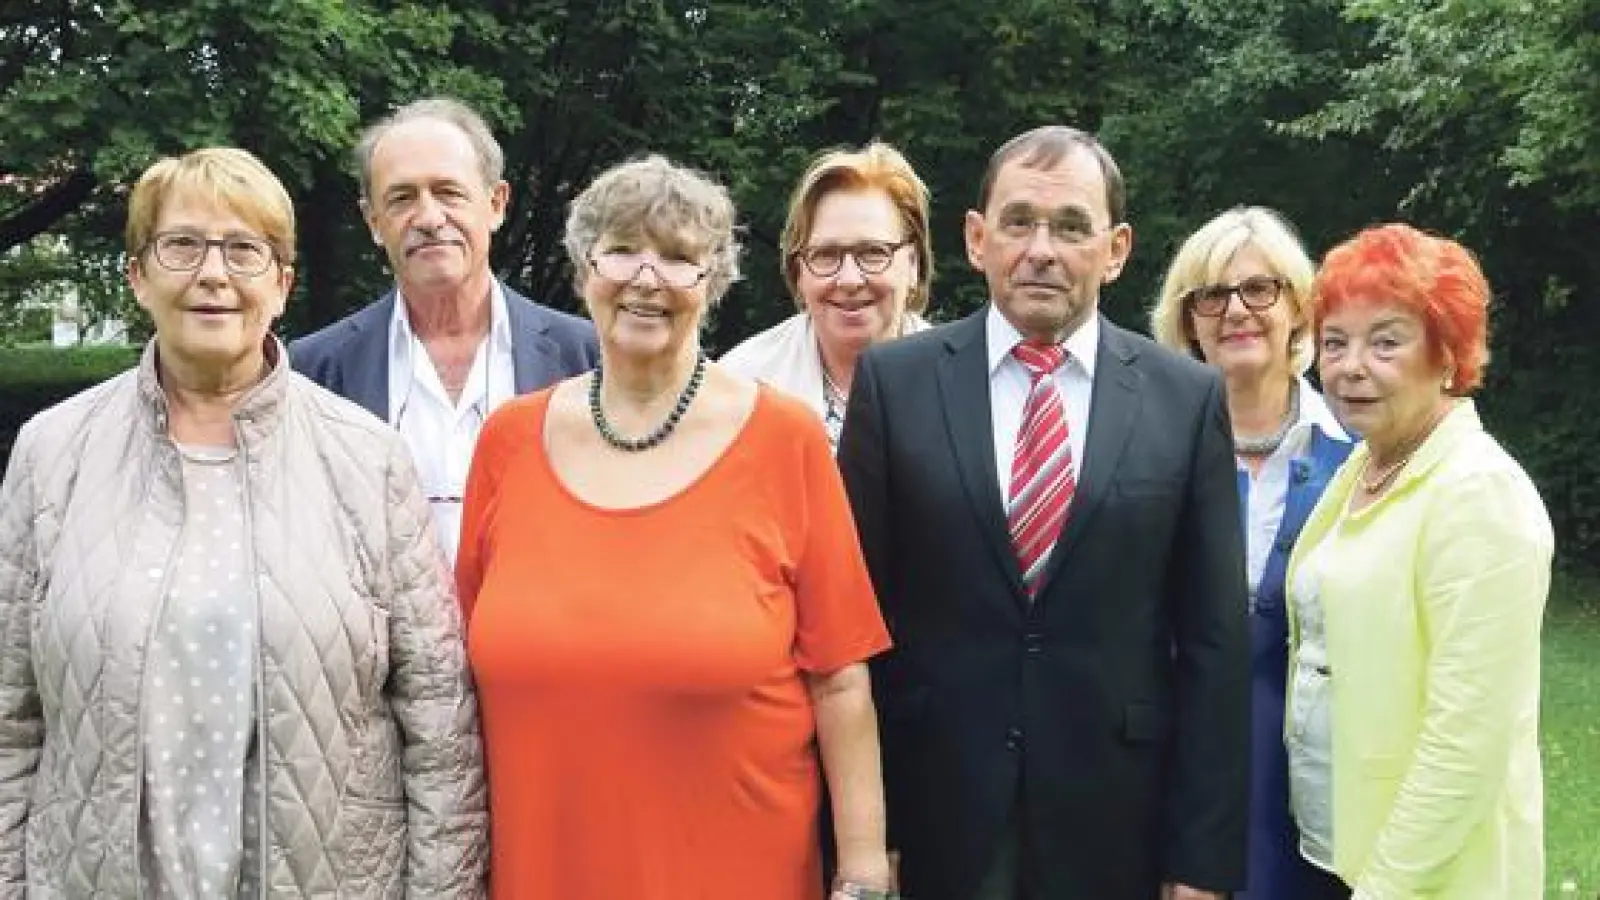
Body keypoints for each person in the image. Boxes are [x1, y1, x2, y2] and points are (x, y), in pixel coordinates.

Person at [0, 148, 485, 896]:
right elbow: (10, 721)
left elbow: (439, 731)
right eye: (181, 245)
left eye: (243, 250)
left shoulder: (369, 461)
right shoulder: (51, 453)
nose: (213, 274)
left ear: (282, 285)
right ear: (137, 276)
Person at [456, 155, 894, 900]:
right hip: (545, 870)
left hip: (738, 871)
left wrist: (862, 876)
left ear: (712, 280)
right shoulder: (507, 442)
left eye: (678, 257)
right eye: (622, 250)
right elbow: (464, 674)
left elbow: (841, 681)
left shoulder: (783, 439)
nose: (646, 277)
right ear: (584, 269)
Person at [837, 125, 1250, 900]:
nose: (1041, 250)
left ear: (1116, 249)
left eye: (1070, 227)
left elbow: (1215, 645)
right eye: (1019, 221)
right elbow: (853, 627)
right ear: (976, 237)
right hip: (935, 815)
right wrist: (868, 833)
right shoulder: (895, 385)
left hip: (1118, 818)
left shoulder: (1186, 400)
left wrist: (1201, 861)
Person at [1284, 223, 1551, 900]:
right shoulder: (1365, 467)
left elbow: (1467, 741)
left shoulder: (1477, 493)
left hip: (1430, 876)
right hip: (1340, 848)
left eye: (1385, 342)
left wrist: (1384, 889)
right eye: (1335, 342)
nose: (1350, 366)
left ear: (1447, 353)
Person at [292, 95, 598, 565]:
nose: (430, 219)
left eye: (449, 192)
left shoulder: (586, 359)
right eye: (402, 198)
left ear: (496, 204)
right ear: (374, 223)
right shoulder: (315, 372)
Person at [1149, 206, 1352, 900]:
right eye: (1210, 295)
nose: (1236, 310)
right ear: (1189, 322)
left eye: (1260, 289)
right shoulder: (1145, 457)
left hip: (1325, 784)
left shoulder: (1360, 457)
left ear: (1298, 308)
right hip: (1173, 780)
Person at [721, 142, 933, 449]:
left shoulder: (965, 384)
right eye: (826, 255)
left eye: (873, 253)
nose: (849, 280)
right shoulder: (741, 386)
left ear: (913, 264)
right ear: (798, 272)